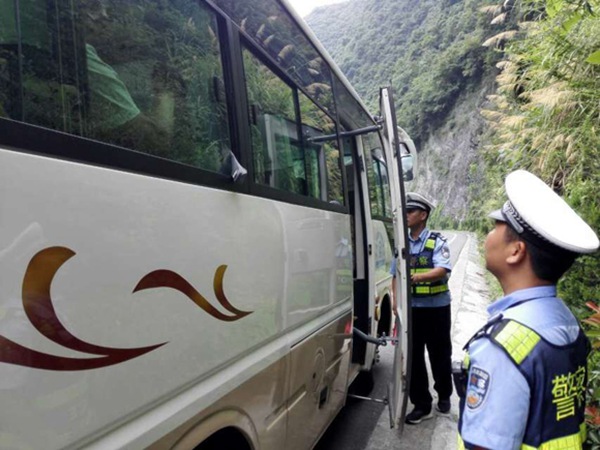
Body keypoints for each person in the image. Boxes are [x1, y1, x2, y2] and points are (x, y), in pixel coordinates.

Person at [457, 170, 599, 449]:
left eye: (496, 226)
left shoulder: (502, 349)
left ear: (516, 251)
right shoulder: (567, 321)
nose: (488, 234)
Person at [403, 192, 453, 424]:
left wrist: (416, 278)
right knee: (413, 357)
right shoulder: (402, 243)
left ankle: (444, 394)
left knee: (439, 354)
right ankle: (421, 404)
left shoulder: (437, 241)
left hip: (436, 309)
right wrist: (396, 304)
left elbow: (442, 269)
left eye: (410, 211)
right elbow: (396, 273)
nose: (406, 215)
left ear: (423, 215)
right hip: (412, 310)